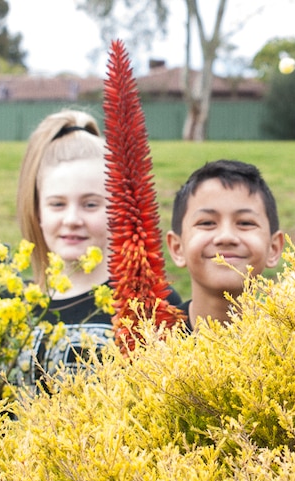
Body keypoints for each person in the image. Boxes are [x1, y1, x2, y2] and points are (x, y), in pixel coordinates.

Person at [14, 109, 181, 392]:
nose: (72, 219)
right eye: (57, 204)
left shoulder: (148, 303)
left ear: (118, 209)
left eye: (91, 204)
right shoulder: (14, 308)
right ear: (37, 211)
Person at [166, 159, 284, 328]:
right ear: (177, 248)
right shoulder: (145, 344)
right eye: (206, 223)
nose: (226, 237)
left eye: (245, 223)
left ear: (274, 248)